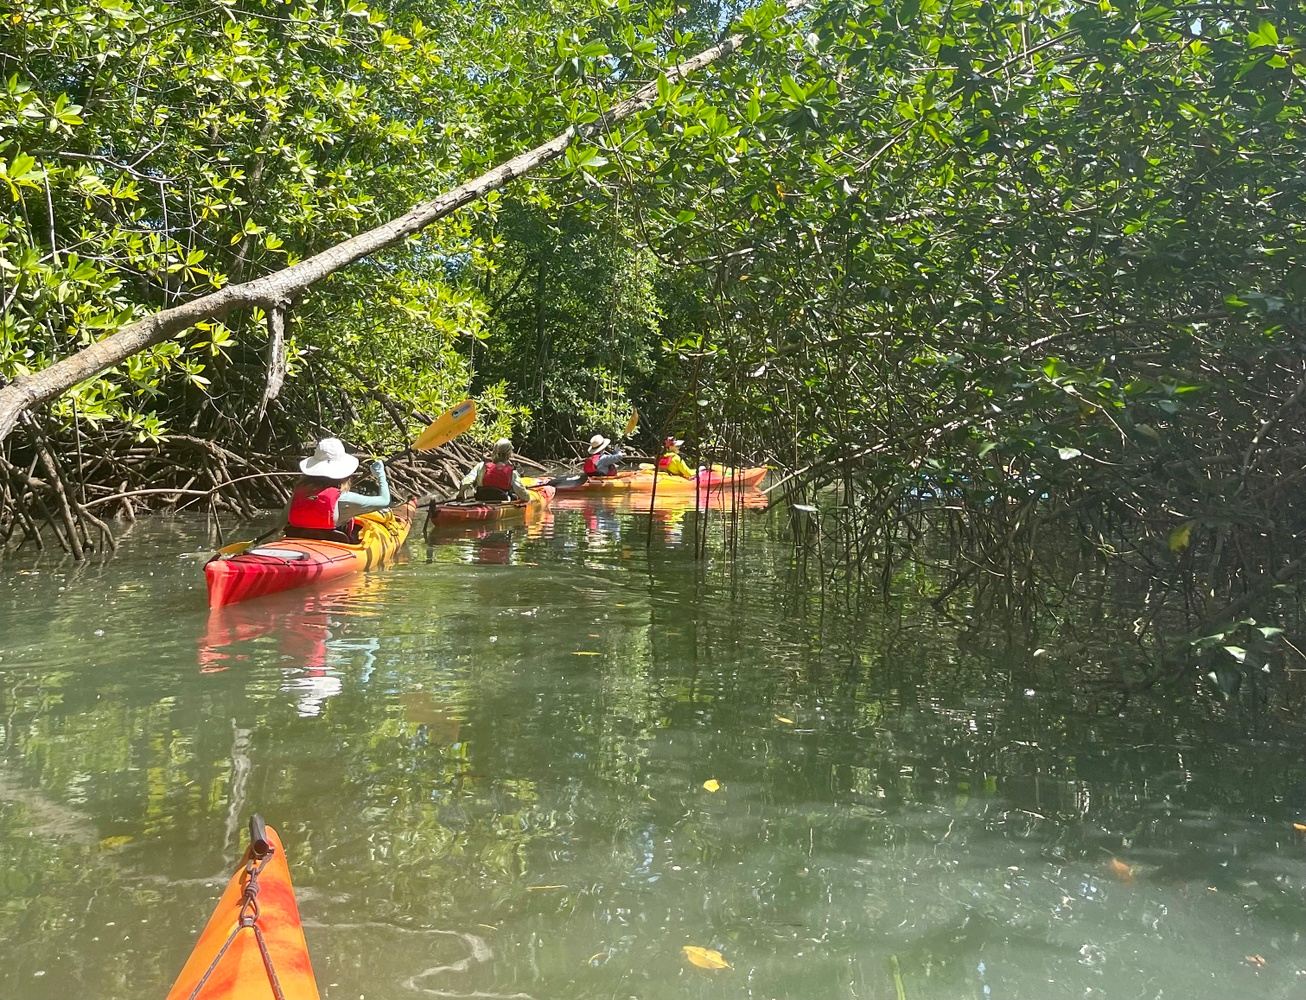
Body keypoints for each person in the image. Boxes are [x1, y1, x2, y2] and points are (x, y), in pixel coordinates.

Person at [285, 437, 390, 542]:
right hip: (335, 545)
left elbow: (280, 526)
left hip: (299, 541)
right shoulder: (345, 499)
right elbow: (385, 501)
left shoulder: (296, 496)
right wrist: (381, 476)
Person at [461, 438, 530, 502]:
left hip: (481, 498)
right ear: (509, 454)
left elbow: (466, 481)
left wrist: (461, 494)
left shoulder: (481, 466)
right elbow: (522, 494)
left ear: (493, 451)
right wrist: (528, 498)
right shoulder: (512, 473)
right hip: (501, 500)